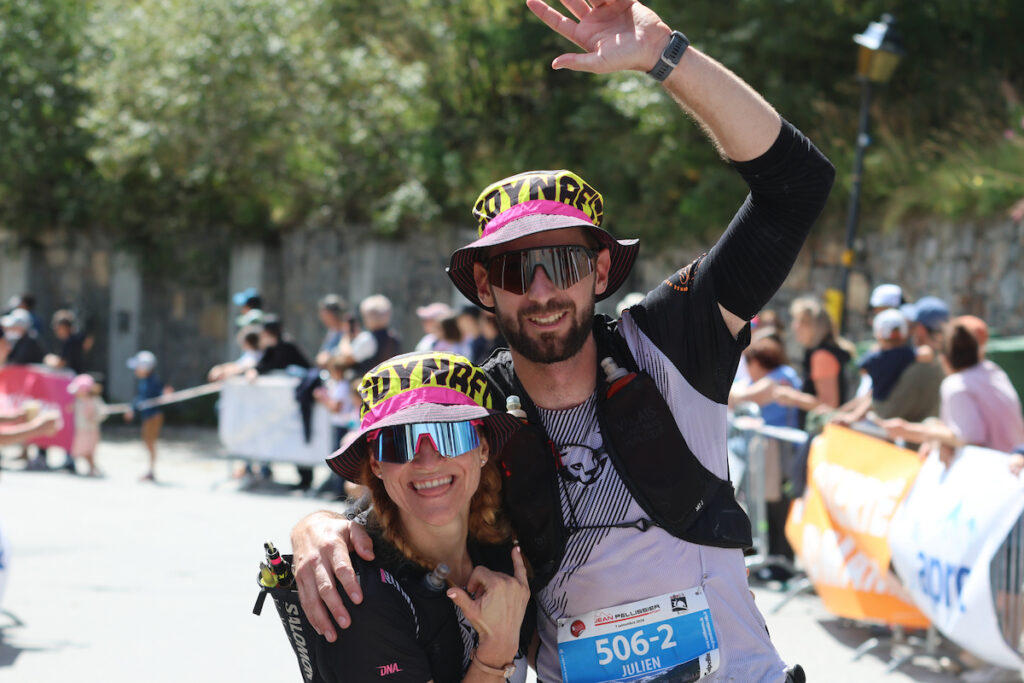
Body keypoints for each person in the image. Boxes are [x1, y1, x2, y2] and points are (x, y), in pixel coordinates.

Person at [292, 2, 833, 680]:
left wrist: (667, 56)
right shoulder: (475, 405)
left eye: (567, 264)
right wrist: (319, 524)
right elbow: (408, 479)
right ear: (486, 287)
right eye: (518, 269)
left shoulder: (672, 343)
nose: (543, 290)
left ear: (601, 271)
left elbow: (797, 186)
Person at [310, 351, 530, 681]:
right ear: (376, 465)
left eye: (451, 435)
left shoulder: (504, 547)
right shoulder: (363, 591)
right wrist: (497, 651)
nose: (428, 461)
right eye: (400, 442)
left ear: (483, 449)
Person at [883, 316, 1024, 461]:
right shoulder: (993, 370)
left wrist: (909, 431)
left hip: (998, 473)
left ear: (944, 359)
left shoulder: (955, 385)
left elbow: (970, 437)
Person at [124, 351, 171, 482]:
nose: (135, 370)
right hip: (147, 416)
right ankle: (150, 470)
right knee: (147, 443)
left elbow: (160, 394)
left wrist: (165, 394)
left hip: (154, 416)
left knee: (150, 443)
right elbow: (140, 399)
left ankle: (151, 470)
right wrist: (132, 408)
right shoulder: (144, 381)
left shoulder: (153, 382)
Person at [341, 294, 401, 376]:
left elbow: (347, 358)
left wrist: (346, 337)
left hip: (368, 384)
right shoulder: (394, 337)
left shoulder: (367, 338)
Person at [67, 374, 108, 477]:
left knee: (89, 451)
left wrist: (94, 417)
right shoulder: (78, 401)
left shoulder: (95, 400)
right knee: (83, 450)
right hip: (81, 430)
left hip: (91, 430)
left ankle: (93, 468)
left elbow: (103, 412)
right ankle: (93, 467)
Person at [44, 309, 91, 374]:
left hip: (74, 378)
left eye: (57, 327)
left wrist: (49, 359)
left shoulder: (70, 341)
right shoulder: (77, 337)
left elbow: (60, 364)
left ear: (64, 327)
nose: (56, 330)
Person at [314, 294, 349, 368]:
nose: (323, 318)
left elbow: (345, 354)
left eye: (325, 315)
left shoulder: (348, 331)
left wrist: (328, 357)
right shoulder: (332, 331)